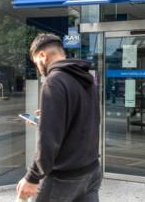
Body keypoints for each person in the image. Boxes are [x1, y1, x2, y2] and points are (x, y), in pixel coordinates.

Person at [16, 33, 102, 201]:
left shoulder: (54, 81)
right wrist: (48, 118)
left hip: (65, 177)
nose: (38, 67)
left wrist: (33, 177)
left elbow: (49, 138)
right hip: (91, 171)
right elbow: (88, 119)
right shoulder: (86, 78)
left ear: (42, 55)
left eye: (36, 62)